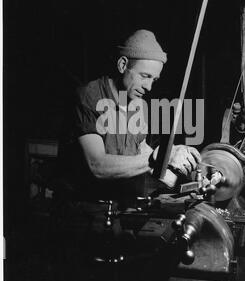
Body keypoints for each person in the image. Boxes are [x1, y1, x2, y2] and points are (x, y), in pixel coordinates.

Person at [58, 29, 201, 209]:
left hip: (121, 207)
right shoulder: (89, 97)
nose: (149, 87)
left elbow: (140, 150)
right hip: (84, 210)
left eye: (154, 80)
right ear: (122, 64)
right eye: (145, 76)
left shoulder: (137, 105)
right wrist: (161, 157)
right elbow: (97, 165)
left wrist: (178, 168)